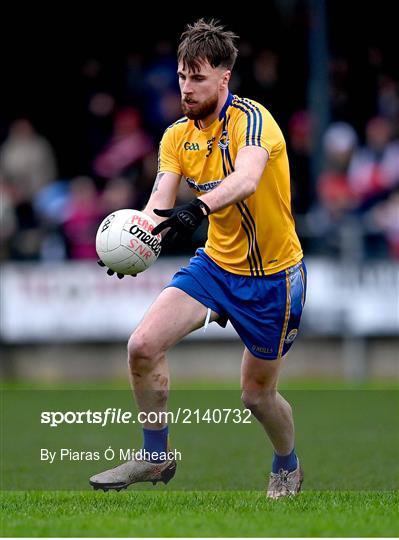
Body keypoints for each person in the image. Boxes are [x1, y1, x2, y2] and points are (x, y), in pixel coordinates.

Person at [91, 19, 306, 499]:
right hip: (215, 265)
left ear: (224, 78)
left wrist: (200, 207)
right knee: (142, 347)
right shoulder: (176, 137)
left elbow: (247, 178)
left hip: (274, 277)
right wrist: (134, 239)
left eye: (198, 78)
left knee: (256, 395)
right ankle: (154, 456)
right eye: (182, 77)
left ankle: (287, 464)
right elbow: (159, 204)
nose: (186, 88)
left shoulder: (253, 120)